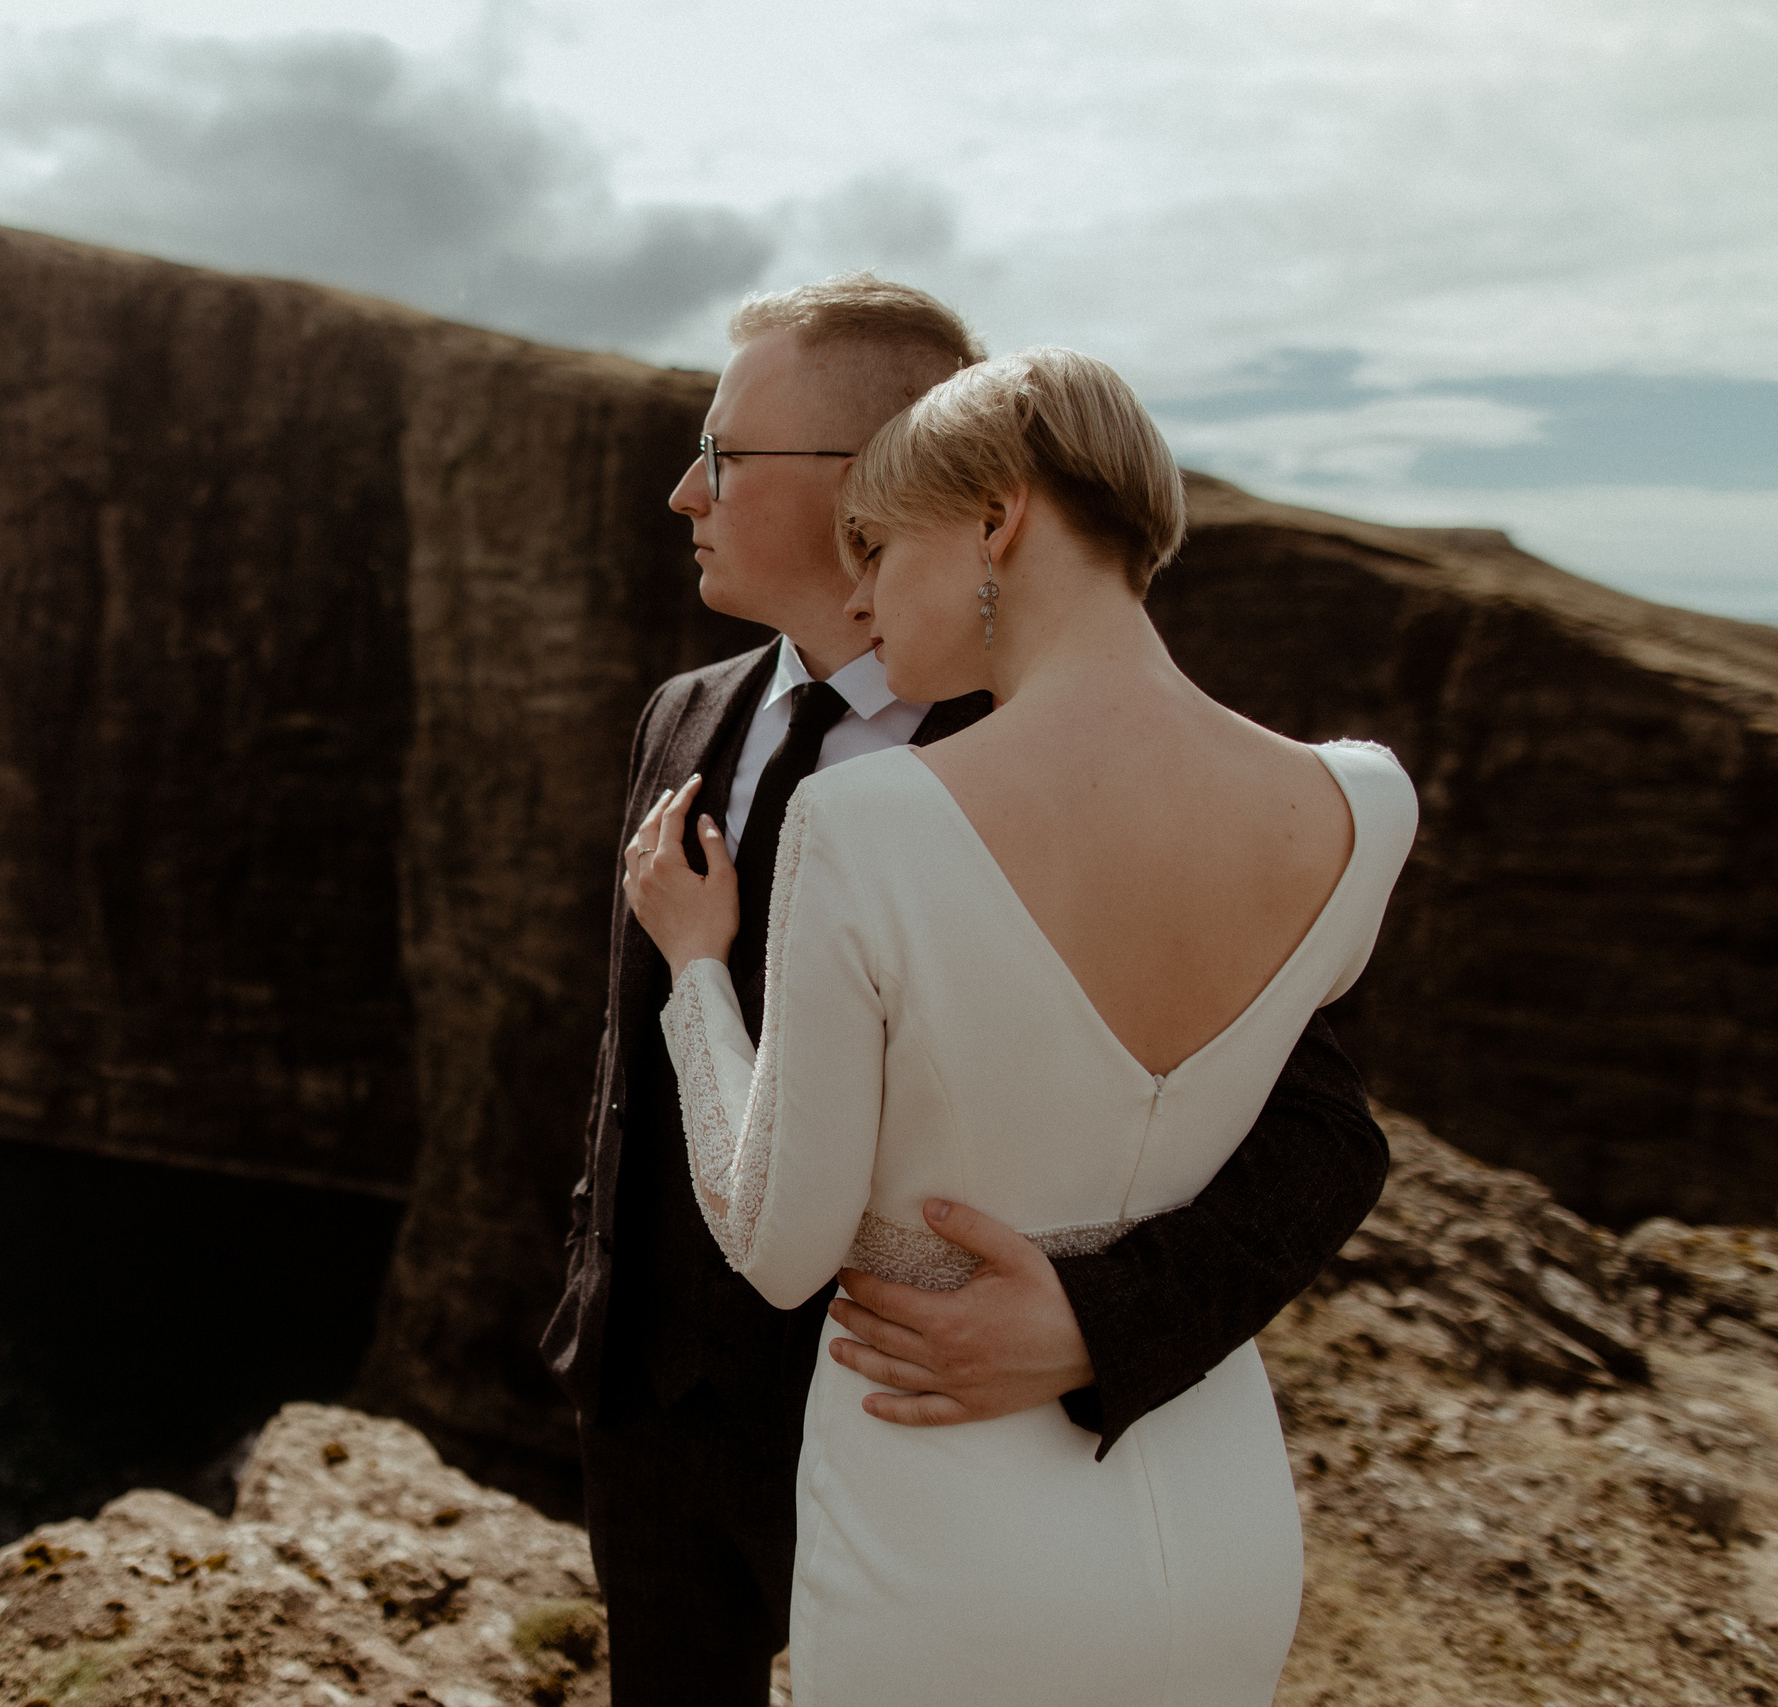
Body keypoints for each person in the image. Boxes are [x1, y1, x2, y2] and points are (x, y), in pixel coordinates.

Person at [540, 279, 1399, 1706]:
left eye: (724, 453)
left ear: (887, 467)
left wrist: (1095, 1324)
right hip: (654, 1421)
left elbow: (1322, 1134)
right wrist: (597, 1312)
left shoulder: (1078, 749)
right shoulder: (685, 714)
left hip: (930, 1420)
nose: (684, 490)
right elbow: (629, 1064)